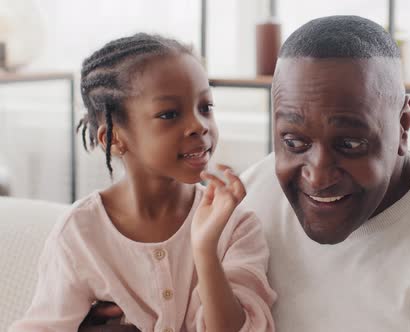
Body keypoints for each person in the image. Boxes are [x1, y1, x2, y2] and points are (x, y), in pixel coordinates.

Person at [80, 16, 410, 331]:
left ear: (402, 126)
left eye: (350, 144)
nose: (318, 176)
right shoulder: (250, 199)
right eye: (294, 143)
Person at [9, 33, 275, 332]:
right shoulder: (80, 235)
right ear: (115, 138)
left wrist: (205, 248)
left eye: (205, 107)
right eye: (169, 114)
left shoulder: (236, 227)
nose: (199, 126)